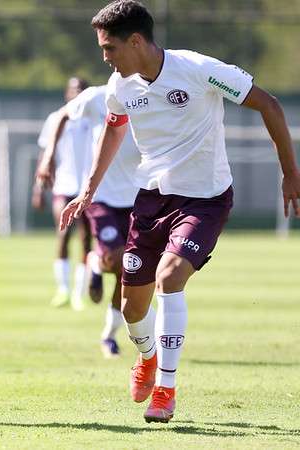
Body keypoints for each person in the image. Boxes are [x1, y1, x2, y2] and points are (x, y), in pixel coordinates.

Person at [61, 0, 300, 423]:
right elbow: (114, 129)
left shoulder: (198, 69)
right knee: (132, 309)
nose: (105, 57)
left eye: (109, 48)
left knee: (171, 276)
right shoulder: (120, 86)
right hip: (151, 200)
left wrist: (290, 173)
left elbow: (270, 105)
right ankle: (148, 359)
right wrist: (88, 190)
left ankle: (166, 390)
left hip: (205, 199)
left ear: (135, 41)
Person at [51, 84, 141, 358]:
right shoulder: (96, 96)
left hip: (138, 197)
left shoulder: (153, 95)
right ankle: (97, 261)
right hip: (101, 196)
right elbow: (63, 115)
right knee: (115, 259)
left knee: (130, 271)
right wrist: (46, 161)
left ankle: (109, 335)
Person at [33, 77, 93, 311]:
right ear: (67, 93)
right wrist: (38, 188)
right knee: (63, 234)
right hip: (63, 187)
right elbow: (45, 154)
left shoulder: (94, 117)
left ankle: (79, 294)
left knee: (87, 239)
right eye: (72, 89)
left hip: (88, 189)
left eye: (80, 89)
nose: (76, 93)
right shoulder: (55, 118)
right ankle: (63, 290)